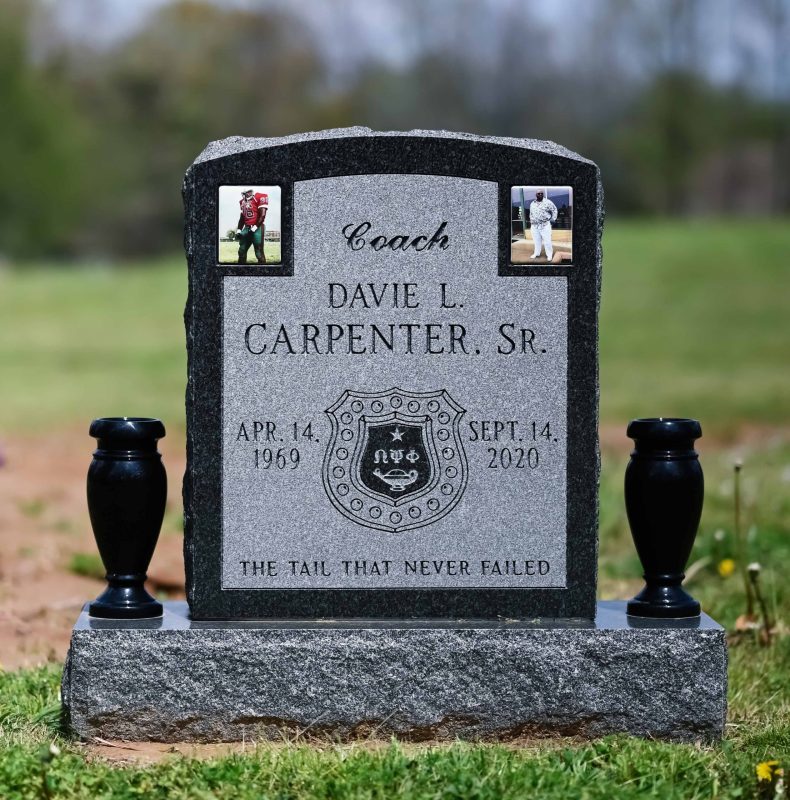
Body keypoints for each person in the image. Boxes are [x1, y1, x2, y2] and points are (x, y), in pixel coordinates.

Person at [236, 189, 268, 264]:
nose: (243, 195)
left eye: (244, 193)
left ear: (249, 193)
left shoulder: (258, 198)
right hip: (247, 228)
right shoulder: (242, 202)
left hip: (258, 227)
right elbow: (242, 218)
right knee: (241, 251)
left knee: (259, 253)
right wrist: (239, 230)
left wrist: (254, 229)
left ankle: (263, 273)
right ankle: (240, 272)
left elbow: (262, 216)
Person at [529, 189, 558, 261]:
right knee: (536, 241)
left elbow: (554, 209)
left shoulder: (547, 202)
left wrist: (553, 219)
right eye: (538, 193)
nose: (540, 195)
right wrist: (531, 220)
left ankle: (549, 255)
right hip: (534, 226)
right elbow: (531, 213)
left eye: (541, 193)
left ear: (543, 194)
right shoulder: (532, 203)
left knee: (547, 241)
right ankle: (536, 253)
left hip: (544, 225)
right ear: (536, 195)